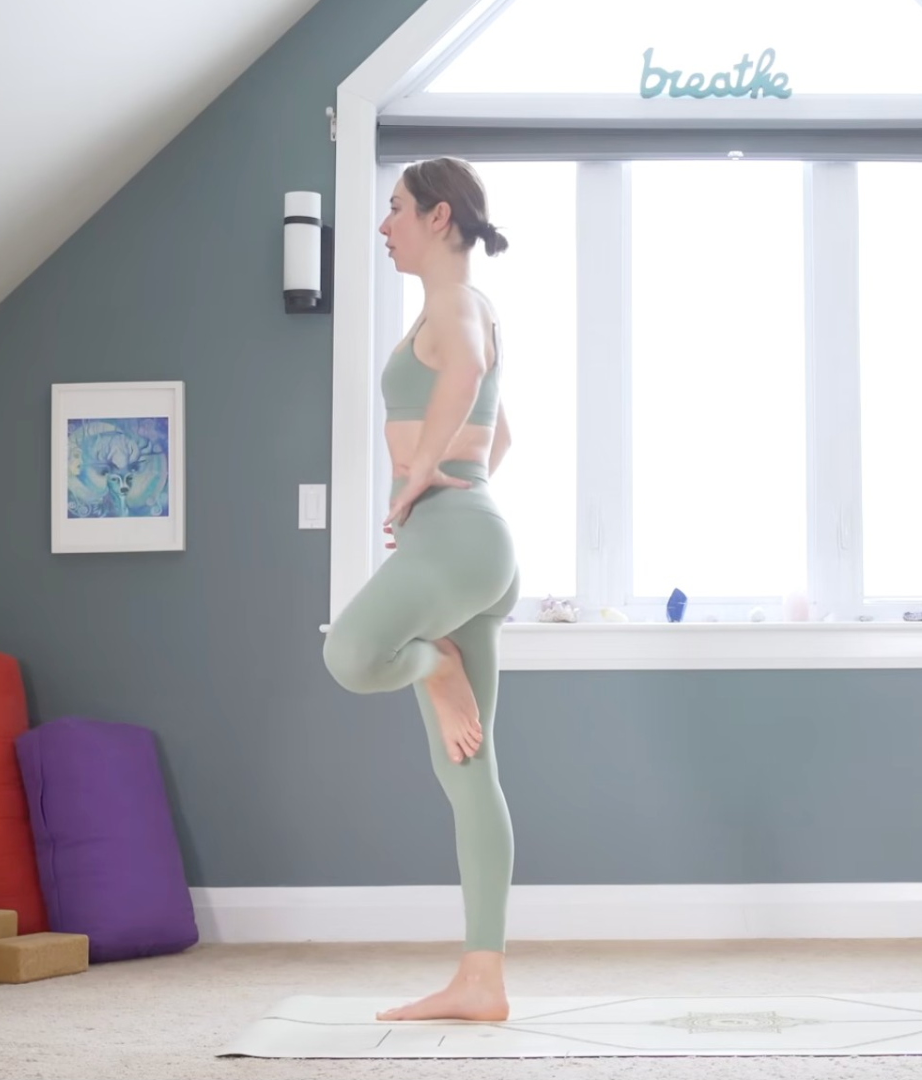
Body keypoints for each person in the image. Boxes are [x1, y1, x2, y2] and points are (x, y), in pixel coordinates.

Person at [320, 157, 518, 1023]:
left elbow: (469, 378)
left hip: (456, 539)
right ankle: (483, 978)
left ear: (439, 218)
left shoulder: (454, 307)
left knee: (353, 655)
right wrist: (460, 481)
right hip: (471, 540)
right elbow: (501, 430)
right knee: (467, 770)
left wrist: (421, 479)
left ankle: (434, 664)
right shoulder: (462, 310)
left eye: (394, 208)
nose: (384, 224)